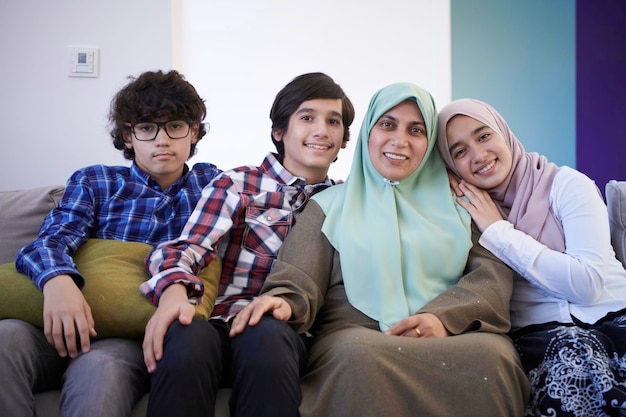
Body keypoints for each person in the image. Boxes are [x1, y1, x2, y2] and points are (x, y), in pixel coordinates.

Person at [230, 82, 530, 417]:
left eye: (416, 130)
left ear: (430, 142)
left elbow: (491, 274)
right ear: (367, 134)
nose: (399, 140)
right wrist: (284, 300)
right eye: (387, 125)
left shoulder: (462, 202)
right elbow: (299, 276)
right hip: (358, 335)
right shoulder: (328, 206)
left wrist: (441, 319)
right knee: (356, 355)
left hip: (451, 334)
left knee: (493, 356)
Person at [0, 69, 222, 417]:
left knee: (99, 367)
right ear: (128, 136)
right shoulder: (96, 180)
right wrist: (59, 283)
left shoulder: (213, 185)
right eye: (147, 128)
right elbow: (51, 240)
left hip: (125, 338)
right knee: (4, 337)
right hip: (55, 323)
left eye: (175, 126)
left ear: (193, 132)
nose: (162, 140)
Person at [141, 72, 355, 417]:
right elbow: (186, 249)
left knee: (266, 335)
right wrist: (172, 295)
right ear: (279, 131)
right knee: (185, 338)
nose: (322, 130)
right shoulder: (240, 183)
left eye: (334, 122)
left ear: (344, 139)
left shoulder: (347, 201)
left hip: (285, 334)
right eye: (307, 117)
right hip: (219, 321)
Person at [436, 98, 626, 416]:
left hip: (617, 317)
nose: (479, 155)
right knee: (570, 362)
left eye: (484, 136)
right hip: (542, 339)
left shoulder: (566, 185)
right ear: (450, 166)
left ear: (504, 133)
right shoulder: (462, 215)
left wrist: (498, 231)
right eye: (459, 151)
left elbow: (588, 284)